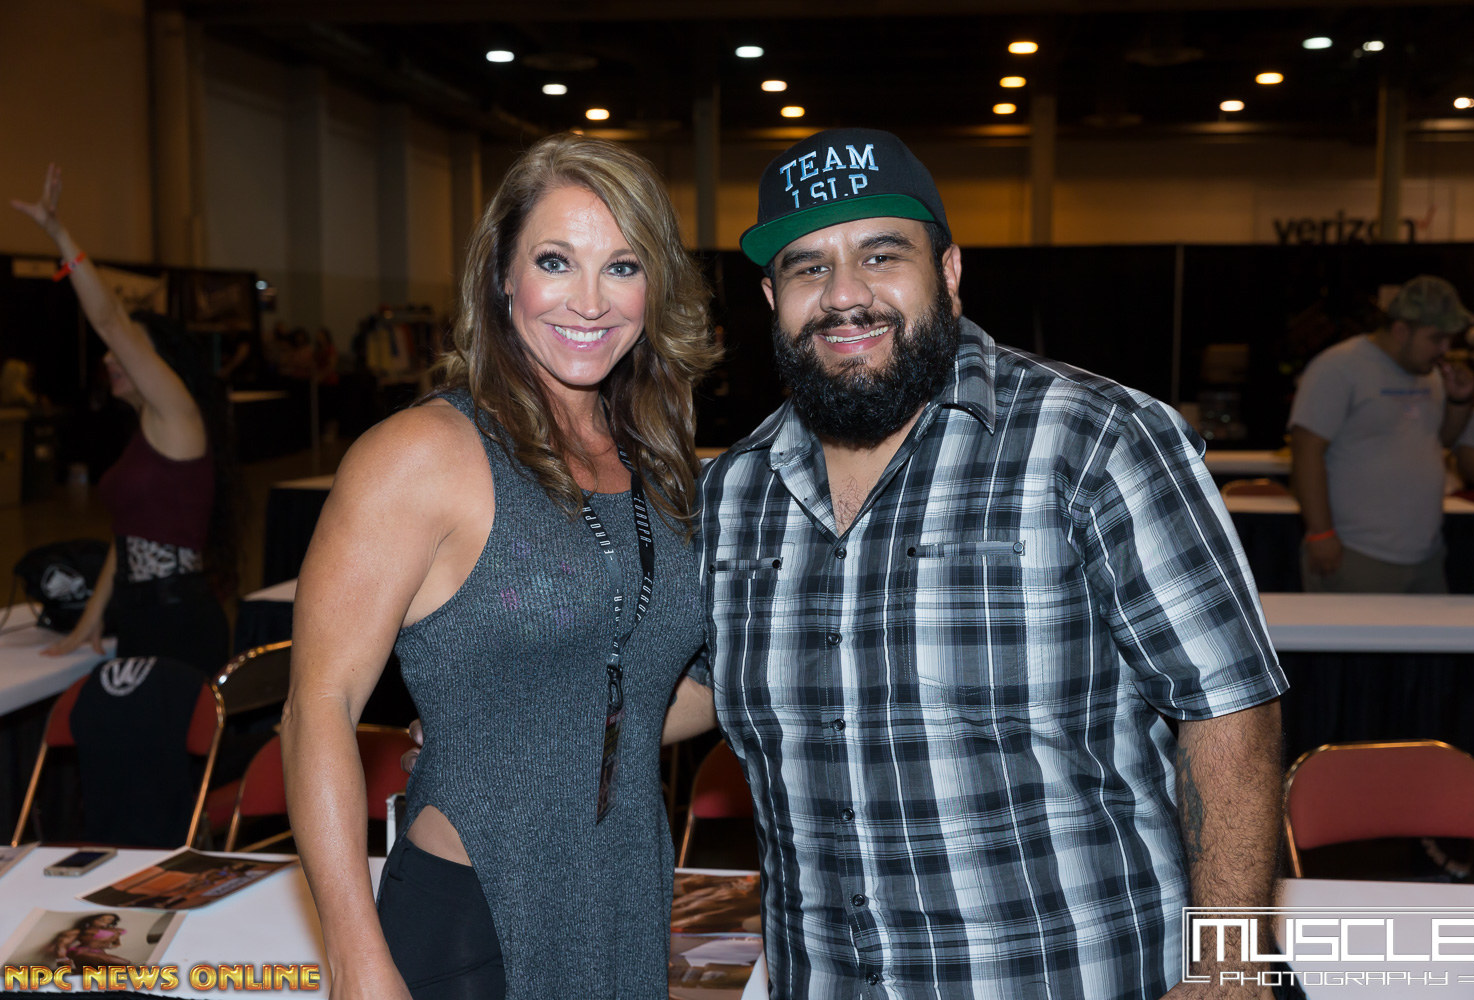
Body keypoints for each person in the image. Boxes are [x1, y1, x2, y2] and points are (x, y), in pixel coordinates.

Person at [689, 128, 1288, 998]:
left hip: (1067, 975)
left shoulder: (1095, 439)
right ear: (771, 296)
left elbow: (1230, 706)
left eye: (881, 255)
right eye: (808, 267)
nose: (844, 295)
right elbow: (696, 684)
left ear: (950, 271)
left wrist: (1229, 965)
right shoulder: (734, 489)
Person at [282, 134, 719, 1000]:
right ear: (502, 277)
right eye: (556, 261)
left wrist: (510, 719)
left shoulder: (661, 462)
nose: (589, 301)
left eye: (623, 266)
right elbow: (315, 709)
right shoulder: (419, 455)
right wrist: (356, 958)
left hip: (626, 903)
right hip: (471, 921)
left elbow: (653, 685)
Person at [12, 165, 235, 675]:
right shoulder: (146, 434)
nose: (111, 358)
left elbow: (110, 321)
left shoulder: (179, 415)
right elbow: (127, 536)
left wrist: (59, 234)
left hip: (178, 617)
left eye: (127, 352)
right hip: (139, 613)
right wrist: (91, 618)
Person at [1288, 275, 1474, 593]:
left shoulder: (1429, 373)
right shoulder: (1339, 366)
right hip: (1355, 554)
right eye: (1437, 338)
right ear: (1401, 331)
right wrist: (1321, 533)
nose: (1445, 349)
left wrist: (1460, 400)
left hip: (1426, 557)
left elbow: (1438, 440)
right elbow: (1306, 451)